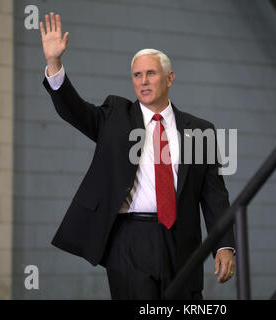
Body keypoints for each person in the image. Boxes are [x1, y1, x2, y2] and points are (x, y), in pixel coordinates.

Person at [39, 12, 236, 299]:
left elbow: (214, 195)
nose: (143, 81)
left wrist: (224, 245)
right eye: (137, 75)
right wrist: (54, 63)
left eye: (151, 73)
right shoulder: (115, 116)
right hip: (129, 239)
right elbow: (75, 110)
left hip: (182, 239)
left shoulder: (200, 130)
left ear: (169, 78)